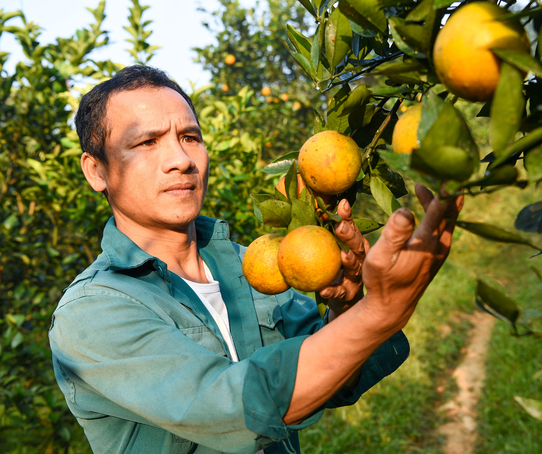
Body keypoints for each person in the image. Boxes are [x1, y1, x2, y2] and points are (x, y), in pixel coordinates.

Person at [49, 65, 463, 454]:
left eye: (190, 137)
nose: (181, 160)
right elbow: (233, 406)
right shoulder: (92, 313)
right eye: (146, 142)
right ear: (96, 171)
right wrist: (380, 312)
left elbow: (331, 379)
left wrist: (348, 307)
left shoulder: (254, 267)